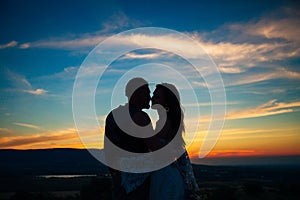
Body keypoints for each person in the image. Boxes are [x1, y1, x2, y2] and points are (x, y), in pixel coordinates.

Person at [147, 83, 200, 200]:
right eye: (153, 95)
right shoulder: (165, 120)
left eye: (156, 96)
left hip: (165, 175)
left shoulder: (165, 122)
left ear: (166, 102)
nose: (152, 98)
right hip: (166, 172)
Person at [104, 77, 153, 200]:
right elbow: (155, 149)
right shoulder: (141, 117)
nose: (150, 97)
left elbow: (108, 151)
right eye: (146, 93)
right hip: (140, 181)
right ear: (135, 94)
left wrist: (116, 175)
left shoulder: (112, 115)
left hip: (119, 180)